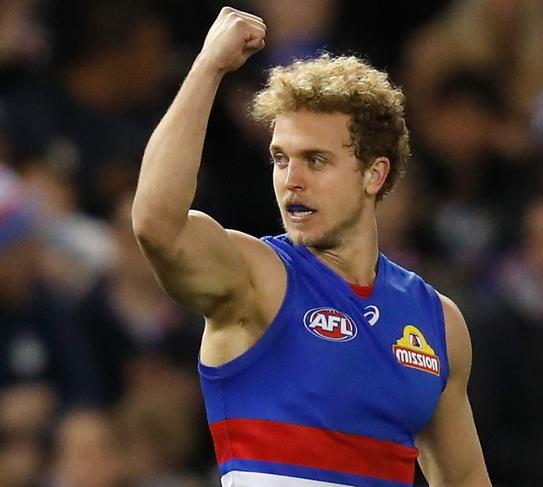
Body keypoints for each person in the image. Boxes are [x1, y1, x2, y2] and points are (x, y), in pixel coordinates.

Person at [132, 7, 490, 486]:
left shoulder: (437, 323)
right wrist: (208, 67)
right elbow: (157, 224)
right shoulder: (256, 279)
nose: (291, 180)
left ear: (374, 174)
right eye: (281, 159)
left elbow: (465, 478)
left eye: (315, 160)